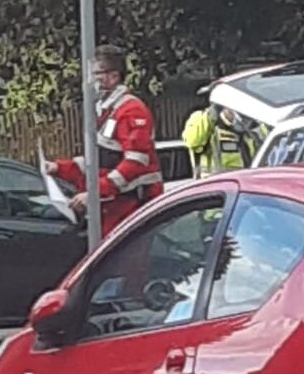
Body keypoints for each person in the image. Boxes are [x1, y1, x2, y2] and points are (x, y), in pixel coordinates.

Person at [45, 45, 163, 238]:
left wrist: (95, 193)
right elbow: (100, 159)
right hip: (113, 205)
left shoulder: (131, 110)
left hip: (130, 205)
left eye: (96, 74)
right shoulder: (108, 109)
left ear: (113, 77)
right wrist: (58, 168)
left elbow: (135, 163)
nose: (91, 80)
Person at [181, 104, 265, 177]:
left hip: (242, 189)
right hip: (212, 189)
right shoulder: (206, 123)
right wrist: (212, 115)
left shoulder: (251, 131)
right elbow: (192, 140)